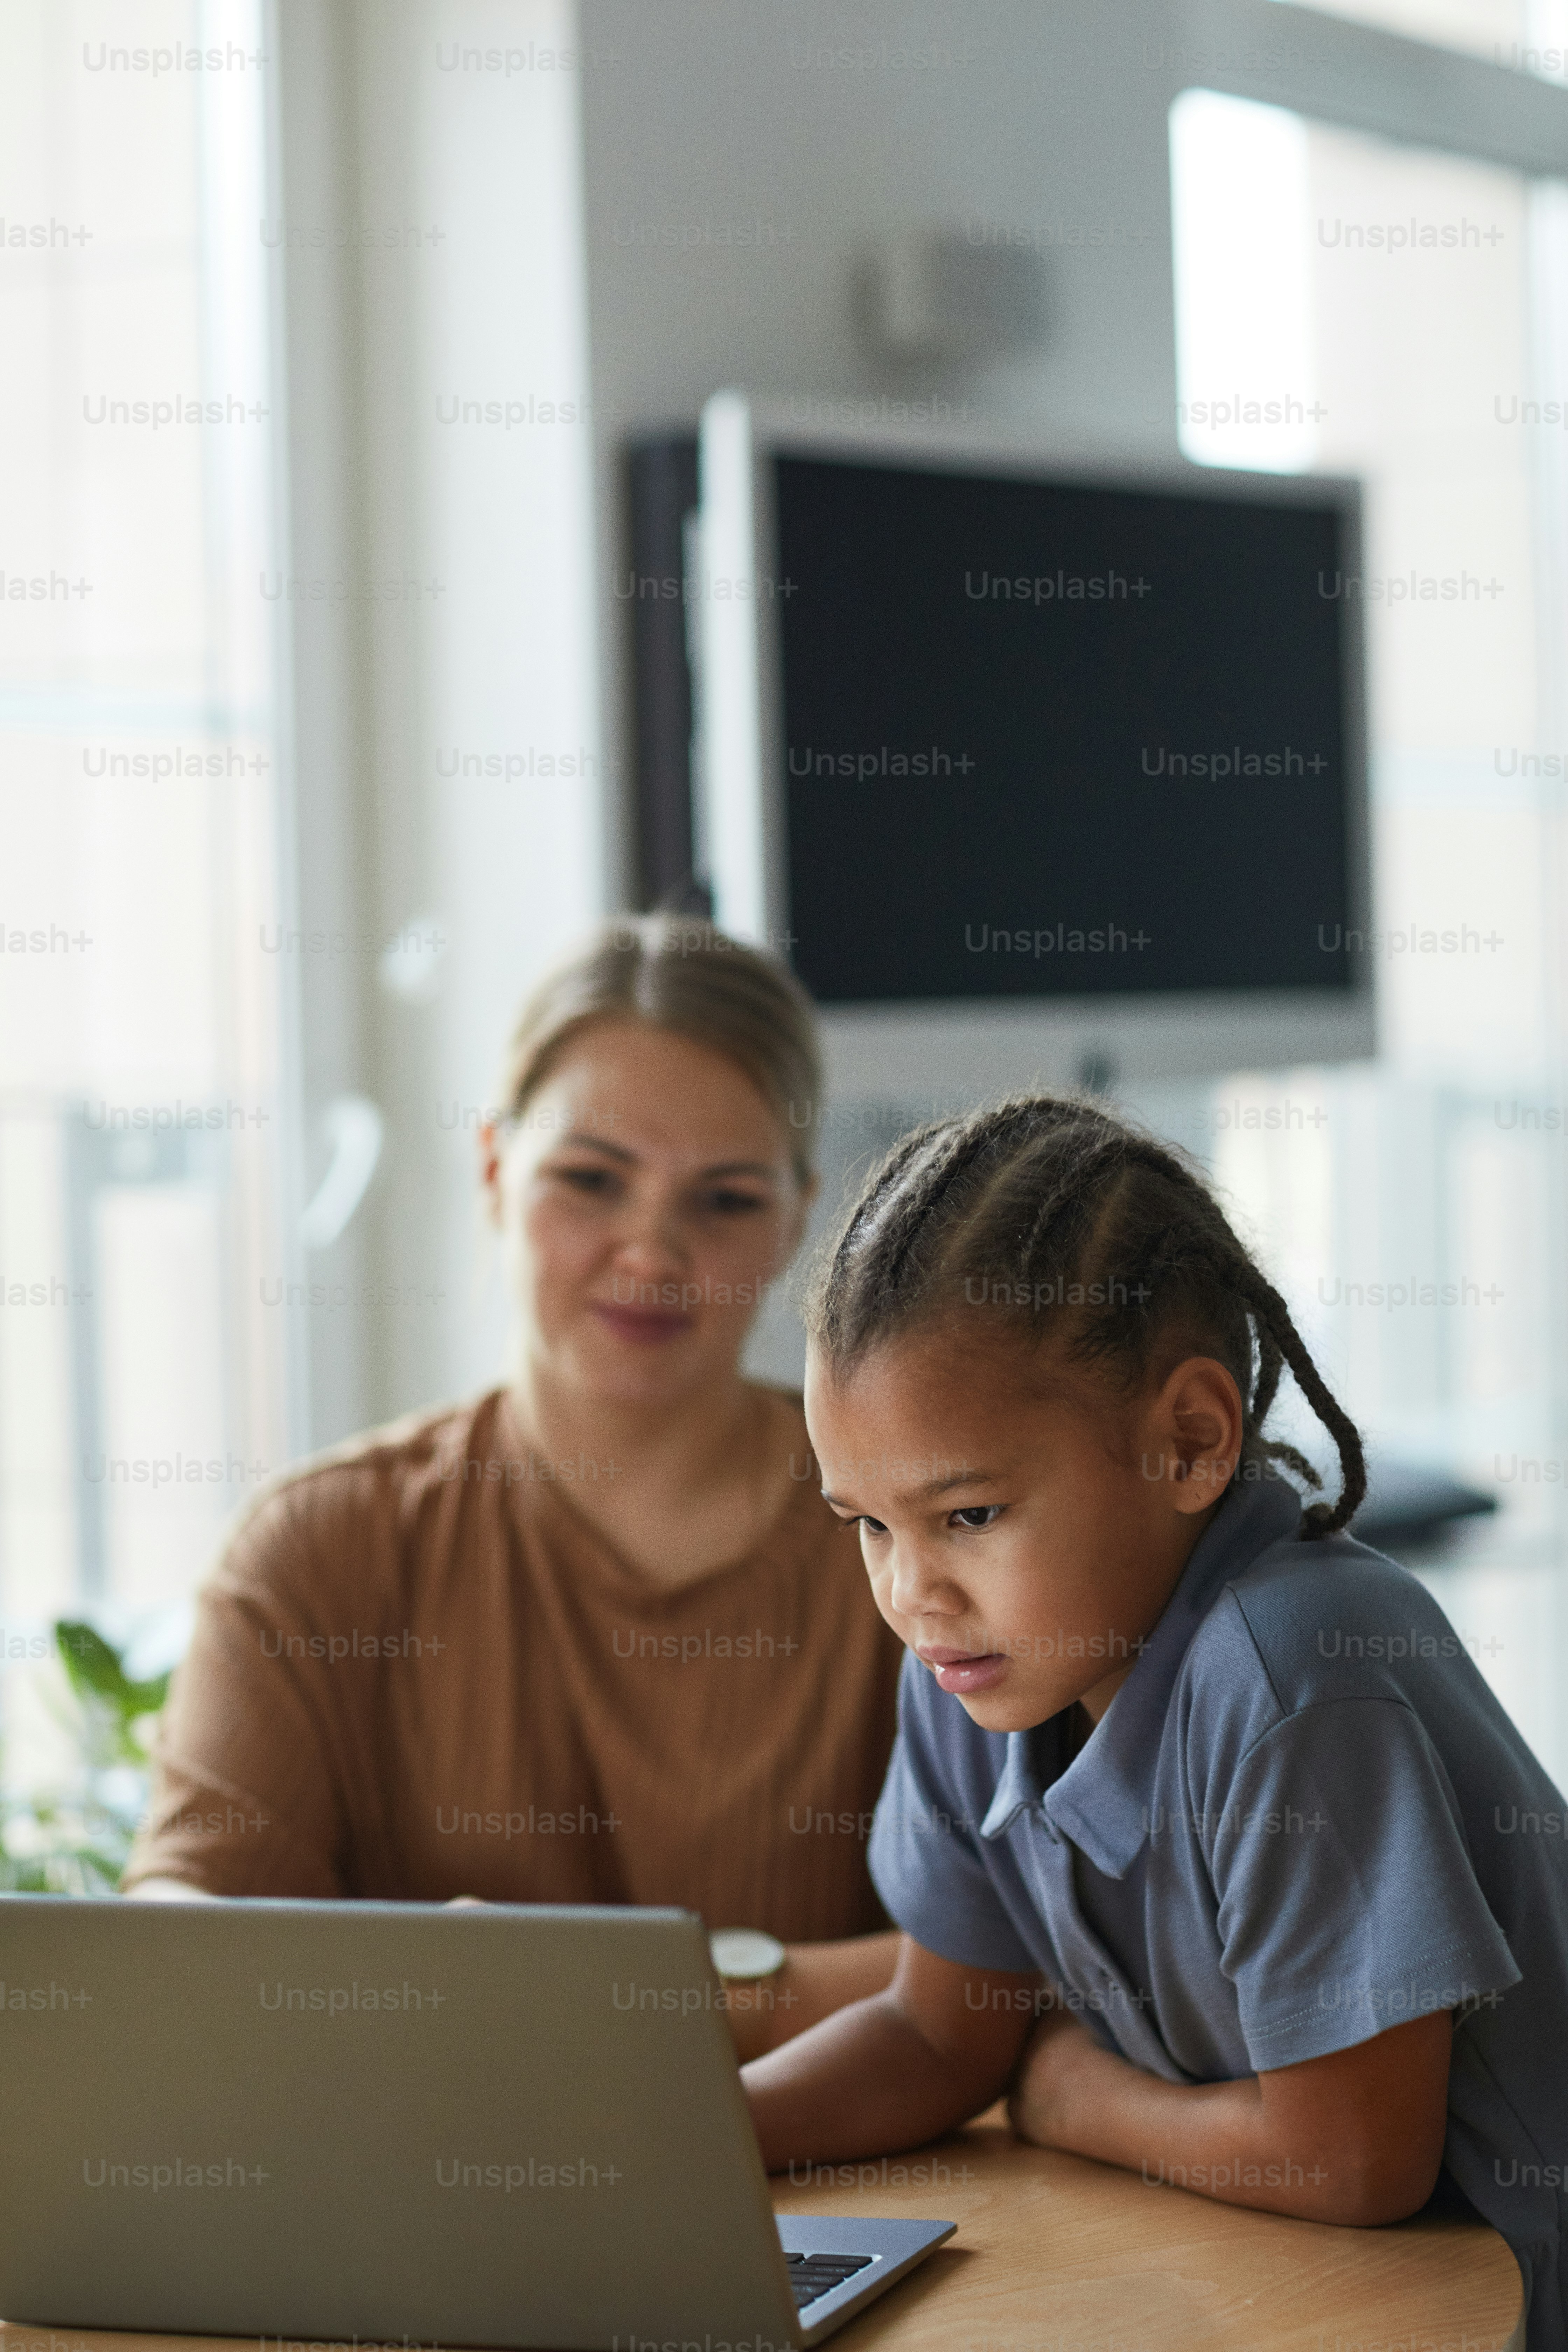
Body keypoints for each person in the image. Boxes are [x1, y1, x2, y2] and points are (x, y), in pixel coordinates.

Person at [743, 1095, 1568, 2351]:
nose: (911, 1594)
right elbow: (934, 2036)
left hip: (1508, 2294)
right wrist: (673, 2145)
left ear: (1188, 1443)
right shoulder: (972, 1668)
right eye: (868, 1523)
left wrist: (1077, 2097)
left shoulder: (1293, 1680)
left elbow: (1346, 2161)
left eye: (968, 1516)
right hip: (1315, 2288)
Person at [124, 917, 904, 2057]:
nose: (650, 1252)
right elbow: (177, 1952)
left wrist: (577, 1996)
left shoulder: (915, 1540)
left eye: (724, 1200)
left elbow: (1049, 1956)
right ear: (494, 1170)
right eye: (592, 1181)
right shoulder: (317, 1551)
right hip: (419, 2218)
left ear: (795, 1219)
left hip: (870, 2209)